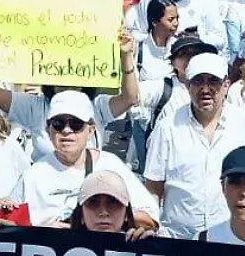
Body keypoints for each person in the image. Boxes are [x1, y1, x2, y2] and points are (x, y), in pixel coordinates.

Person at [142, 52, 245, 238]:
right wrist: (149, 225)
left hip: (231, 238)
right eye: (198, 81)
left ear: (226, 85)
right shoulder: (167, 127)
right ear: (187, 85)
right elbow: (153, 187)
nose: (205, 89)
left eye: (213, 81)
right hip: (177, 238)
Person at [21, 90, 154, 227]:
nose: (67, 131)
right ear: (48, 130)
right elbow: (10, 222)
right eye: (58, 124)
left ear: (91, 130)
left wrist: (99, 221)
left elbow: (150, 218)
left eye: (76, 124)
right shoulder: (32, 175)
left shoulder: (111, 165)